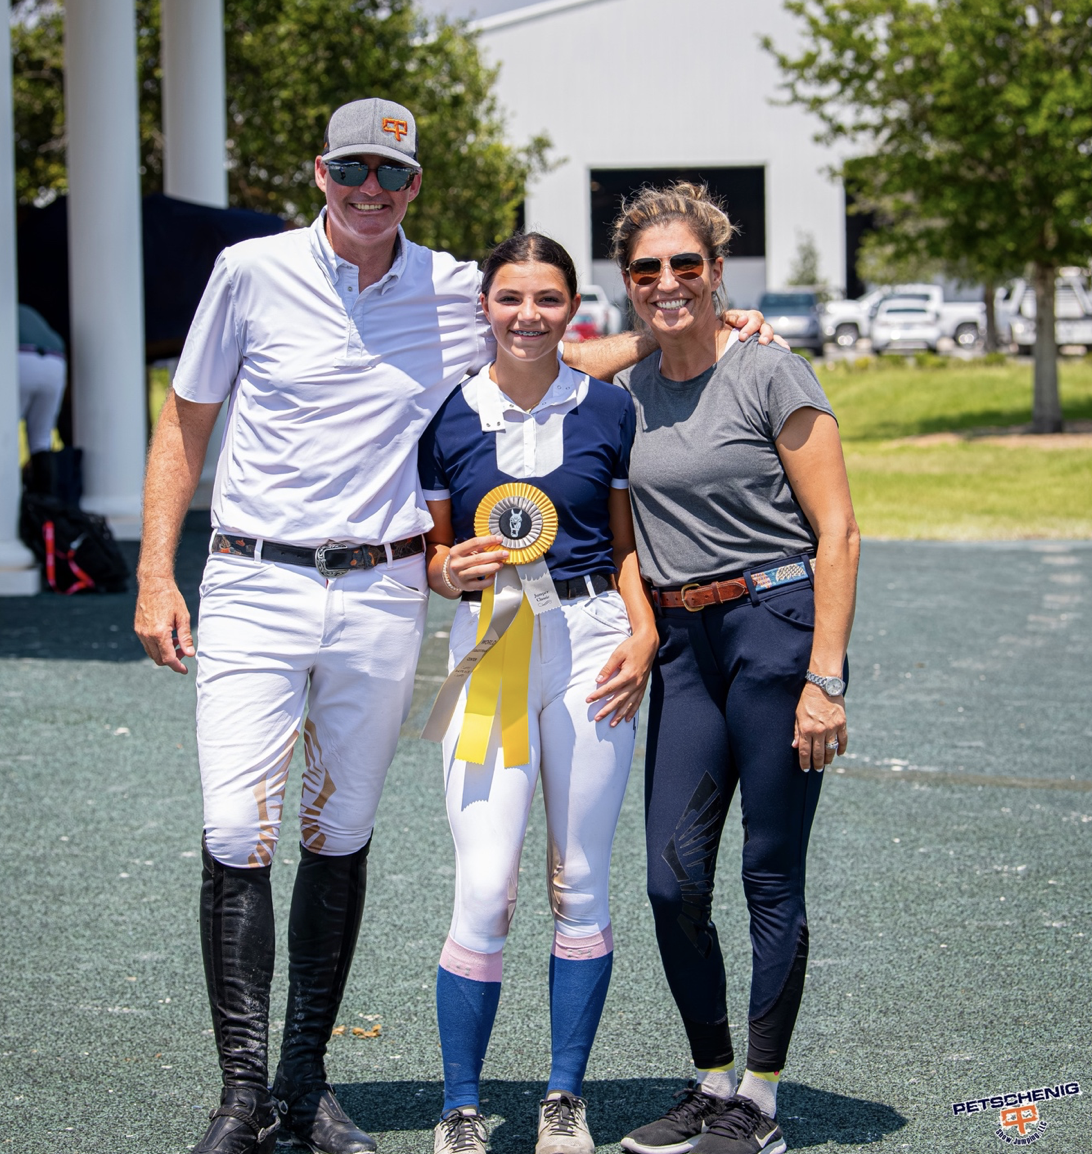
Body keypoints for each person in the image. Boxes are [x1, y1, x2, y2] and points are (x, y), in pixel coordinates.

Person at [133, 101, 778, 1154]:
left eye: (391, 174)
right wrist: (156, 570)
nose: (370, 189)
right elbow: (185, 419)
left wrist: (702, 324)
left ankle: (306, 1085)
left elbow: (542, 341)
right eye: (353, 168)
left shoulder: (448, 286)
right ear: (320, 170)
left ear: (414, 185)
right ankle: (242, 1095)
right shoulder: (248, 271)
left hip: (387, 592)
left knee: (337, 834)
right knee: (233, 831)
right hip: (254, 579)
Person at [609, 185, 860, 1154]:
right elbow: (536, 353)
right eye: (646, 270)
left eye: (685, 266)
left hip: (773, 627)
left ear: (717, 271)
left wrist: (823, 677)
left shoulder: (771, 371)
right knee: (671, 880)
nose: (667, 282)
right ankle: (709, 1080)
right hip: (680, 646)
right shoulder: (623, 391)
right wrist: (653, 338)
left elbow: (834, 528)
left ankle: (758, 1099)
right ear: (626, 283)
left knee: (766, 870)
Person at [419, 234, 656, 1154]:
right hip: (492, 641)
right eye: (511, 298)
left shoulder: (608, 409)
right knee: (485, 887)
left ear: (572, 307)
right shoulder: (446, 414)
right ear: (486, 305)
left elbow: (626, 540)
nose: (528, 316)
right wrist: (447, 570)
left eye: (548, 300)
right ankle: (461, 1105)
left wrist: (642, 633)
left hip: (595, 643)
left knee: (582, 878)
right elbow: (434, 553)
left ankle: (564, 1097)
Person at [17, 304, 67, 495]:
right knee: (40, 439)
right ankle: (46, 509)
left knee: (1, 436)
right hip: (56, 362)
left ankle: (4, 509)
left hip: (20, 356)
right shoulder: (27, 312)